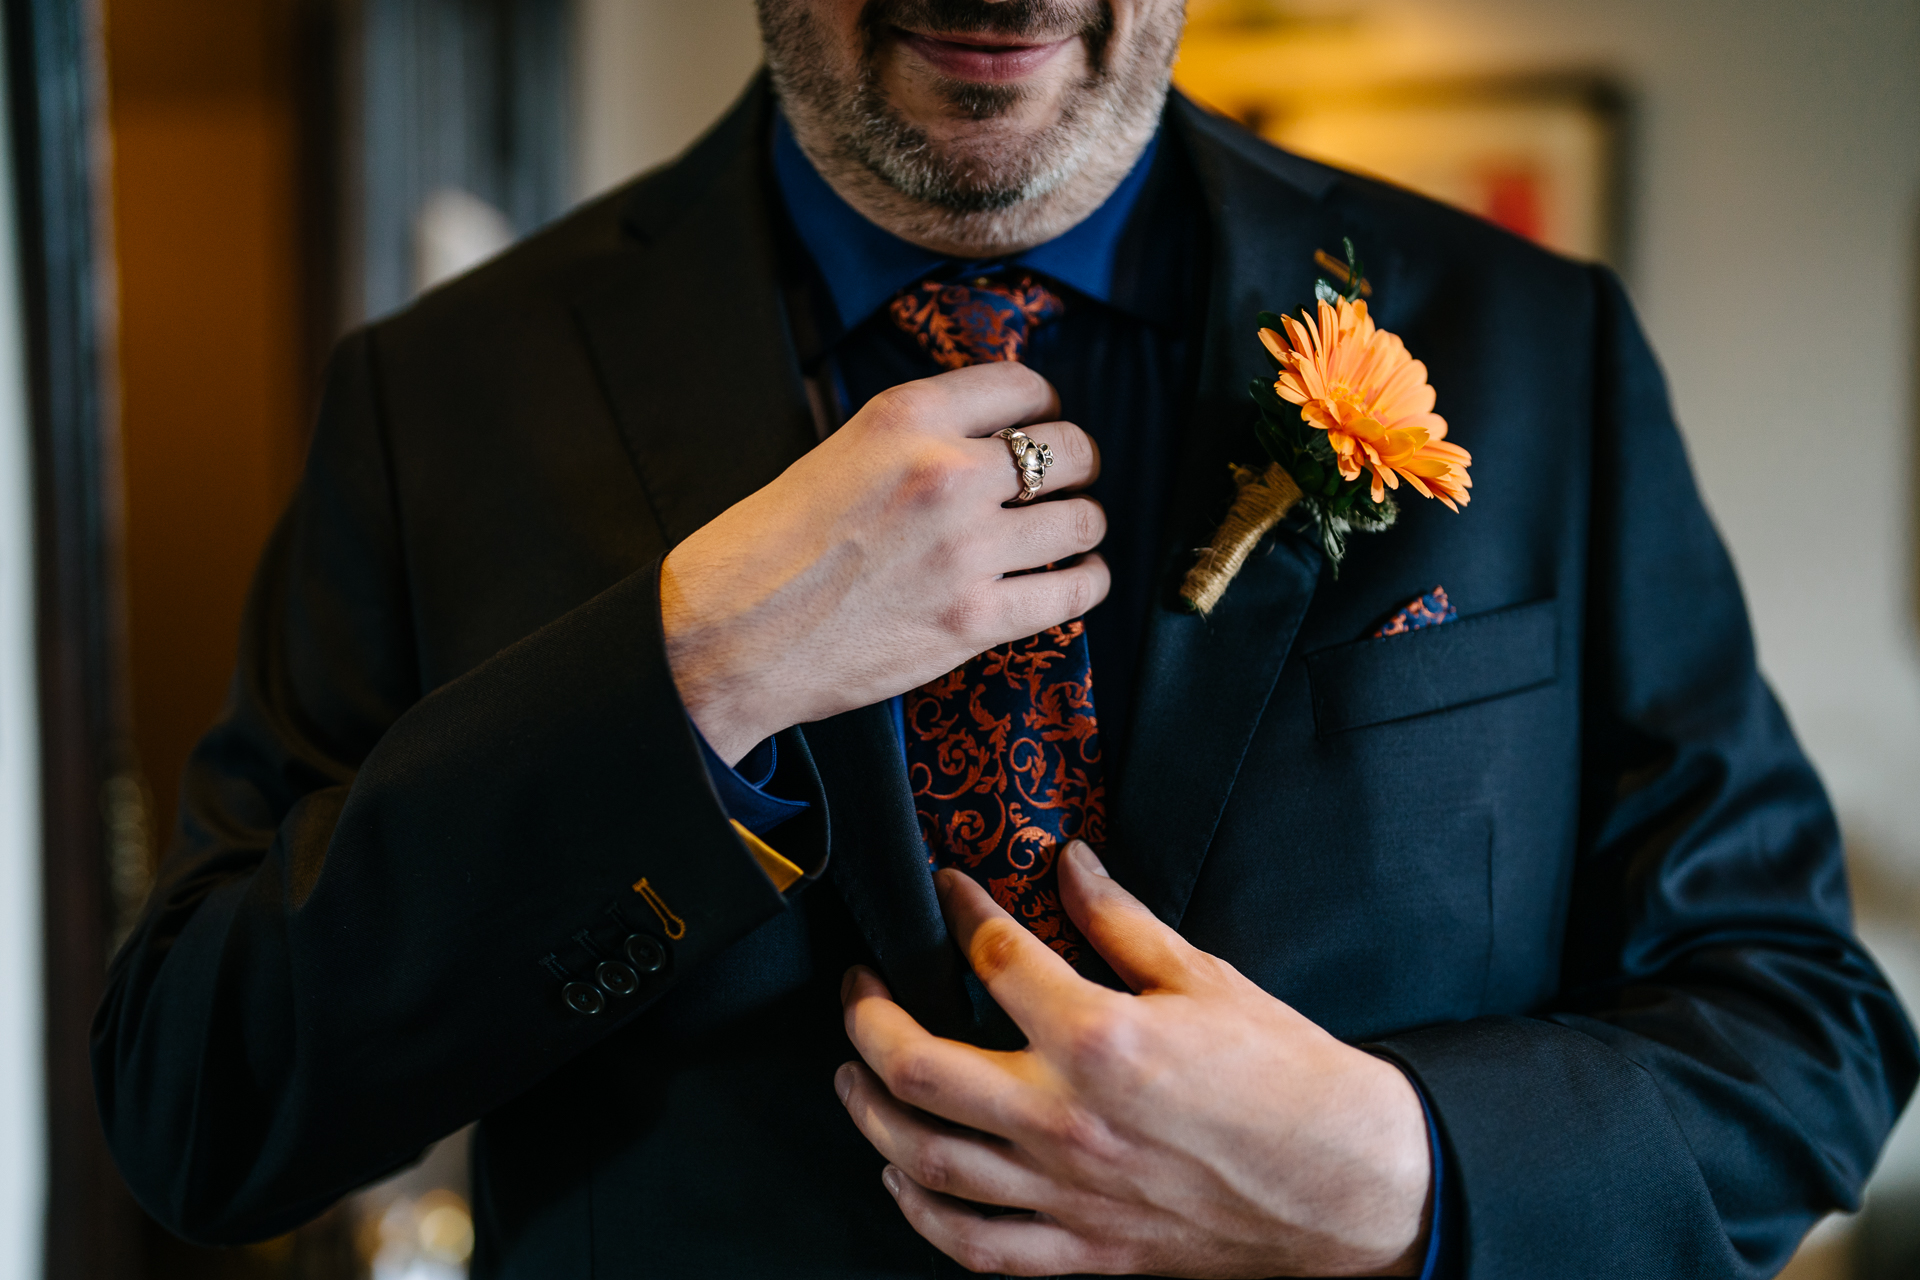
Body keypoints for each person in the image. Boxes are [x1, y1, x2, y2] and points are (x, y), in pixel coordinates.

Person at [93, 1, 1916, 1276]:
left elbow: (1803, 1029)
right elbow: (206, 1104)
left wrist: (1397, 1175)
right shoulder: (442, 400)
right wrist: (694, 673)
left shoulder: (1534, 348)